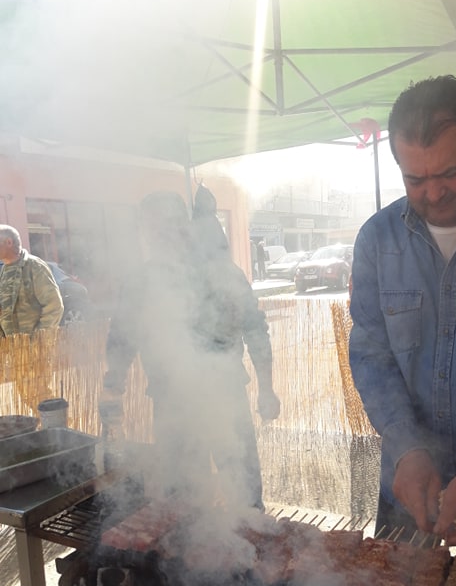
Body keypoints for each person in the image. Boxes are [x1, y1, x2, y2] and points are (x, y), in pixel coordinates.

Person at [348, 75, 456, 555]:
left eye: (448, 173)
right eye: (415, 179)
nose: (432, 195)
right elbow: (371, 354)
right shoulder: (376, 240)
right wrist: (407, 447)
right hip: (406, 490)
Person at [100, 191, 280, 510]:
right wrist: (114, 381)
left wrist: (267, 389)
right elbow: (123, 335)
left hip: (225, 395)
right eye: (152, 228)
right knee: (182, 498)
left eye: (167, 225)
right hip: (172, 403)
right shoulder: (141, 281)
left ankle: (254, 541)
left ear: (183, 225)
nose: (159, 234)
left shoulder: (222, 273)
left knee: (244, 489)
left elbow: (255, 328)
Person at [0, 225, 63, 336]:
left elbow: (54, 306)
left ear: (9, 242)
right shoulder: (4, 271)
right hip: (12, 348)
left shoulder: (34, 266)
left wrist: (38, 339)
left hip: (34, 349)